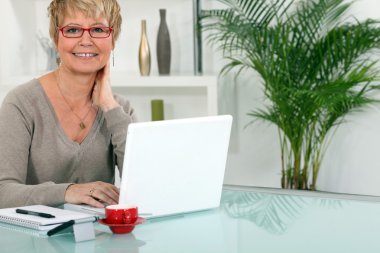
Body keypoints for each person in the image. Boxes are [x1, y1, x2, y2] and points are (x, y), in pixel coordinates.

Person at [0, 0, 135, 208]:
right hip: (31, 239)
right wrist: (68, 191)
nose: (86, 40)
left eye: (98, 29)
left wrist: (109, 105)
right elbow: (3, 192)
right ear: (56, 38)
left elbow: (142, 188)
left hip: (99, 238)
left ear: (113, 39)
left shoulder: (121, 110)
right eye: (73, 30)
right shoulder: (21, 103)